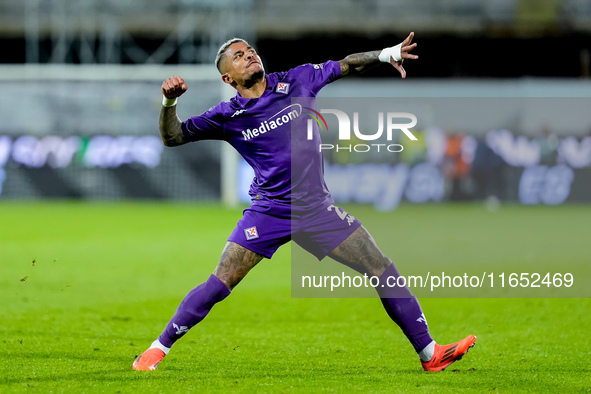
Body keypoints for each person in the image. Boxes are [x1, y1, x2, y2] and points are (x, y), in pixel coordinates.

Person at [133, 33, 476, 372]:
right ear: (228, 77)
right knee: (221, 282)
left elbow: (346, 65)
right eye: (238, 56)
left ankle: (430, 353)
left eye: (250, 50)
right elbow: (173, 136)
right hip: (270, 211)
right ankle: (156, 349)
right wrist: (168, 103)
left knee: (381, 267)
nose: (249, 55)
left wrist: (386, 54)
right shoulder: (227, 115)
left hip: (317, 210)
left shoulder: (297, 80)